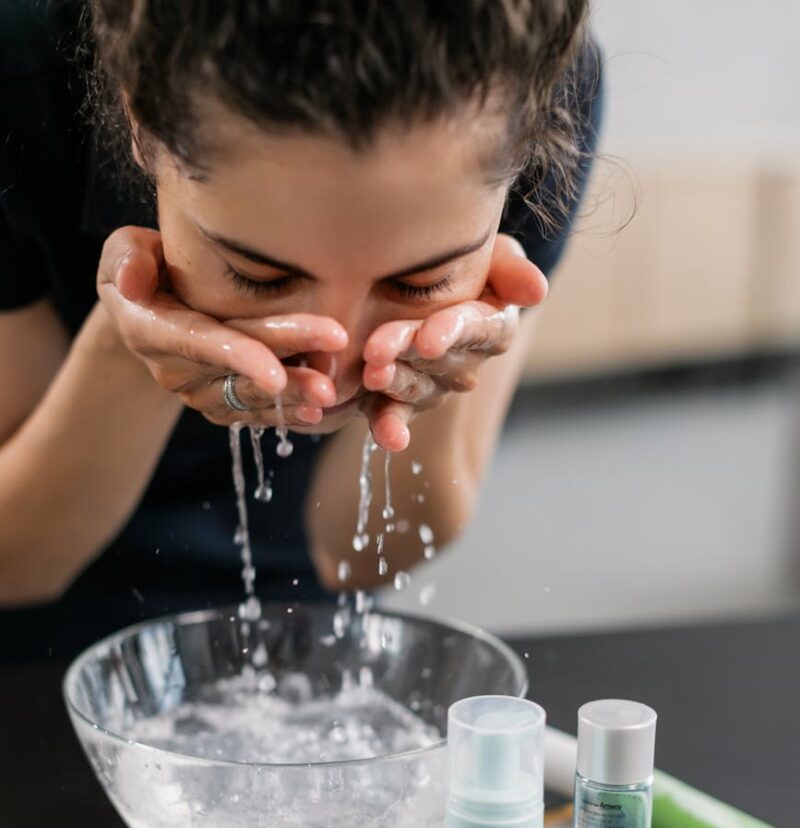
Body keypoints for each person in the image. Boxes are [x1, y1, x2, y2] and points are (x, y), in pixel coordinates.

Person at [0, 0, 602, 661]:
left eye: (419, 282)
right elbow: (16, 566)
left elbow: (357, 558)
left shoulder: (538, 87)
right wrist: (132, 337)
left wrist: (446, 365)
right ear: (140, 123)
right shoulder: (17, 68)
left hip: (308, 628)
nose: (330, 369)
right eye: (258, 277)